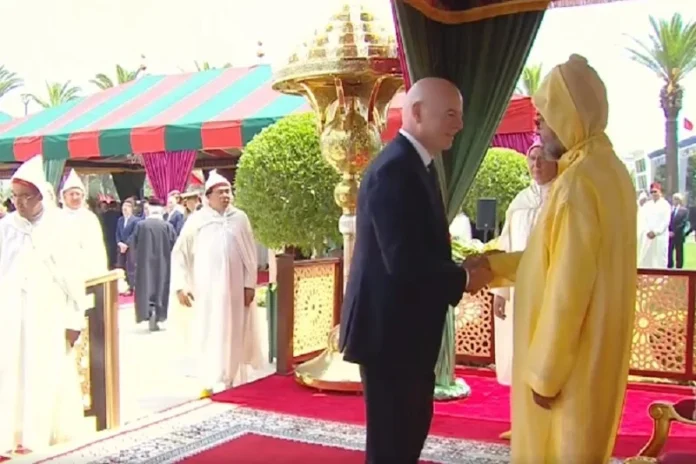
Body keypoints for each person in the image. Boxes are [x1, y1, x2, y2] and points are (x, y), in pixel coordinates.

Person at [475, 55, 637, 463]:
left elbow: (568, 289)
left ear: (569, 115)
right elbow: (547, 257)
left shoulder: (576, 184)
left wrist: (545, 374)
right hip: (595, 357)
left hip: (570, 369)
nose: (539, 128)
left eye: (545, 117)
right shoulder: (611, 171)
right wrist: (492, 267)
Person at [338, 77, 491, 463]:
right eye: (451, 114)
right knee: (393, 447)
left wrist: (459, 267)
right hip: (391, 339)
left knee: (406, 438)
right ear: (418, 112)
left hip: (404, 336)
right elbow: (404, 262)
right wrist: (464, 278)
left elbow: (417, 248)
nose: (459, 124)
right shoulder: (395, 170)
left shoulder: (415, 165)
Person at [0, 154, 86, 455]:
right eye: (15, 196)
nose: (19, 203)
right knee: (10, 374)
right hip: (10, 316)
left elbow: (74, 280)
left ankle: (38, 436)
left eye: (26, 196)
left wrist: (74, 321)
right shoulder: (6, 228)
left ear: (40, 196)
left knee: (44, 374)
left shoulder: (59, 227)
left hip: (48, 315)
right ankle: (9, 435)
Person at [171, 170, 263, 398]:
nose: (225, 195)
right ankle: (208, 380)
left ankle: (230, 379)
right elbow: (179, 253)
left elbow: (250, 254)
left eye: (228, 191)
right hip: (207, 291)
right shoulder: (197, 220)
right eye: (220, 192)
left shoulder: (240, 218)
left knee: (234, 332)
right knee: (209, 332)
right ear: (208, 196)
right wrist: (181, 286)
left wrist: (249, 285)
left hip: (235, 290)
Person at [489, 137, 558, 440]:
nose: (536, 164)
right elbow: (507, 246)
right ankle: (522, 423)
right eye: (532, 159)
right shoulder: (520, 201)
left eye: (542, 158)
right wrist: (501, 293)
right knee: (520, 354)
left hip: (551, 291)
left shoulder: (562, 197)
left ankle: (549, 426)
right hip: (519, 292)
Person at [130, 200, 178, 332]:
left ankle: (148, 311)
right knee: (161, 287)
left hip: (144, 263)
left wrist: (134, 261)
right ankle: (158, 314)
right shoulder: (167, 226)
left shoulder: (141, 225)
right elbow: (175, 245)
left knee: (146, 287)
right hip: (163, 263)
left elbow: (133, 244)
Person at [60, 169, 108, 279]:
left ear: (82, 196)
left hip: (88, 272)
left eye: (78, 194)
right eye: (71, 194)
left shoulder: (90, 218)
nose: (75, 197)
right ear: (64, 197)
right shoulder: (57, 218)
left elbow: (97, 248)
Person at [638, 182, 671, 268]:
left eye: (655, 191)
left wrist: (656, 232)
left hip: (660, 236)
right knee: (646, 258)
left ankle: (661, 275)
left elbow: (665, 221)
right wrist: (648, 231)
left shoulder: (665, 205)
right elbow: (643, 219)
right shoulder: (647, 205)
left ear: (660, 192)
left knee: (660, 259)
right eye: (652, 192)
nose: (654, 194)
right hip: (648, 236)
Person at [116, 200, 140, 295]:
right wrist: (119, 243)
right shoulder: (120, 220)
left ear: (131, 209)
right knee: (120, 266)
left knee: (131, 267)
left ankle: (131, 287)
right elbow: (117, 233)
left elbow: (134, 234)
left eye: (127, 207)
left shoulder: (136, 220)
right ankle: (122, 286)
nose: (124, 209)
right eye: (123, 207)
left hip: (131, 247)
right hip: (121, 247)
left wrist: (126, 244)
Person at [668, 193, 689, 269]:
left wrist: (674, 232)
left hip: (678, 235)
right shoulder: (670, 210)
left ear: (680, 200)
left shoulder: (684, 211)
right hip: (669, 235)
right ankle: (669, 266)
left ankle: (679, 268)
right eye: (674, 199)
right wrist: (669, 231)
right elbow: (667, 221)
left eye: (676, 199)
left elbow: (683, 223)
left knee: (679, 253)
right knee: (669, 252)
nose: (675, 201)